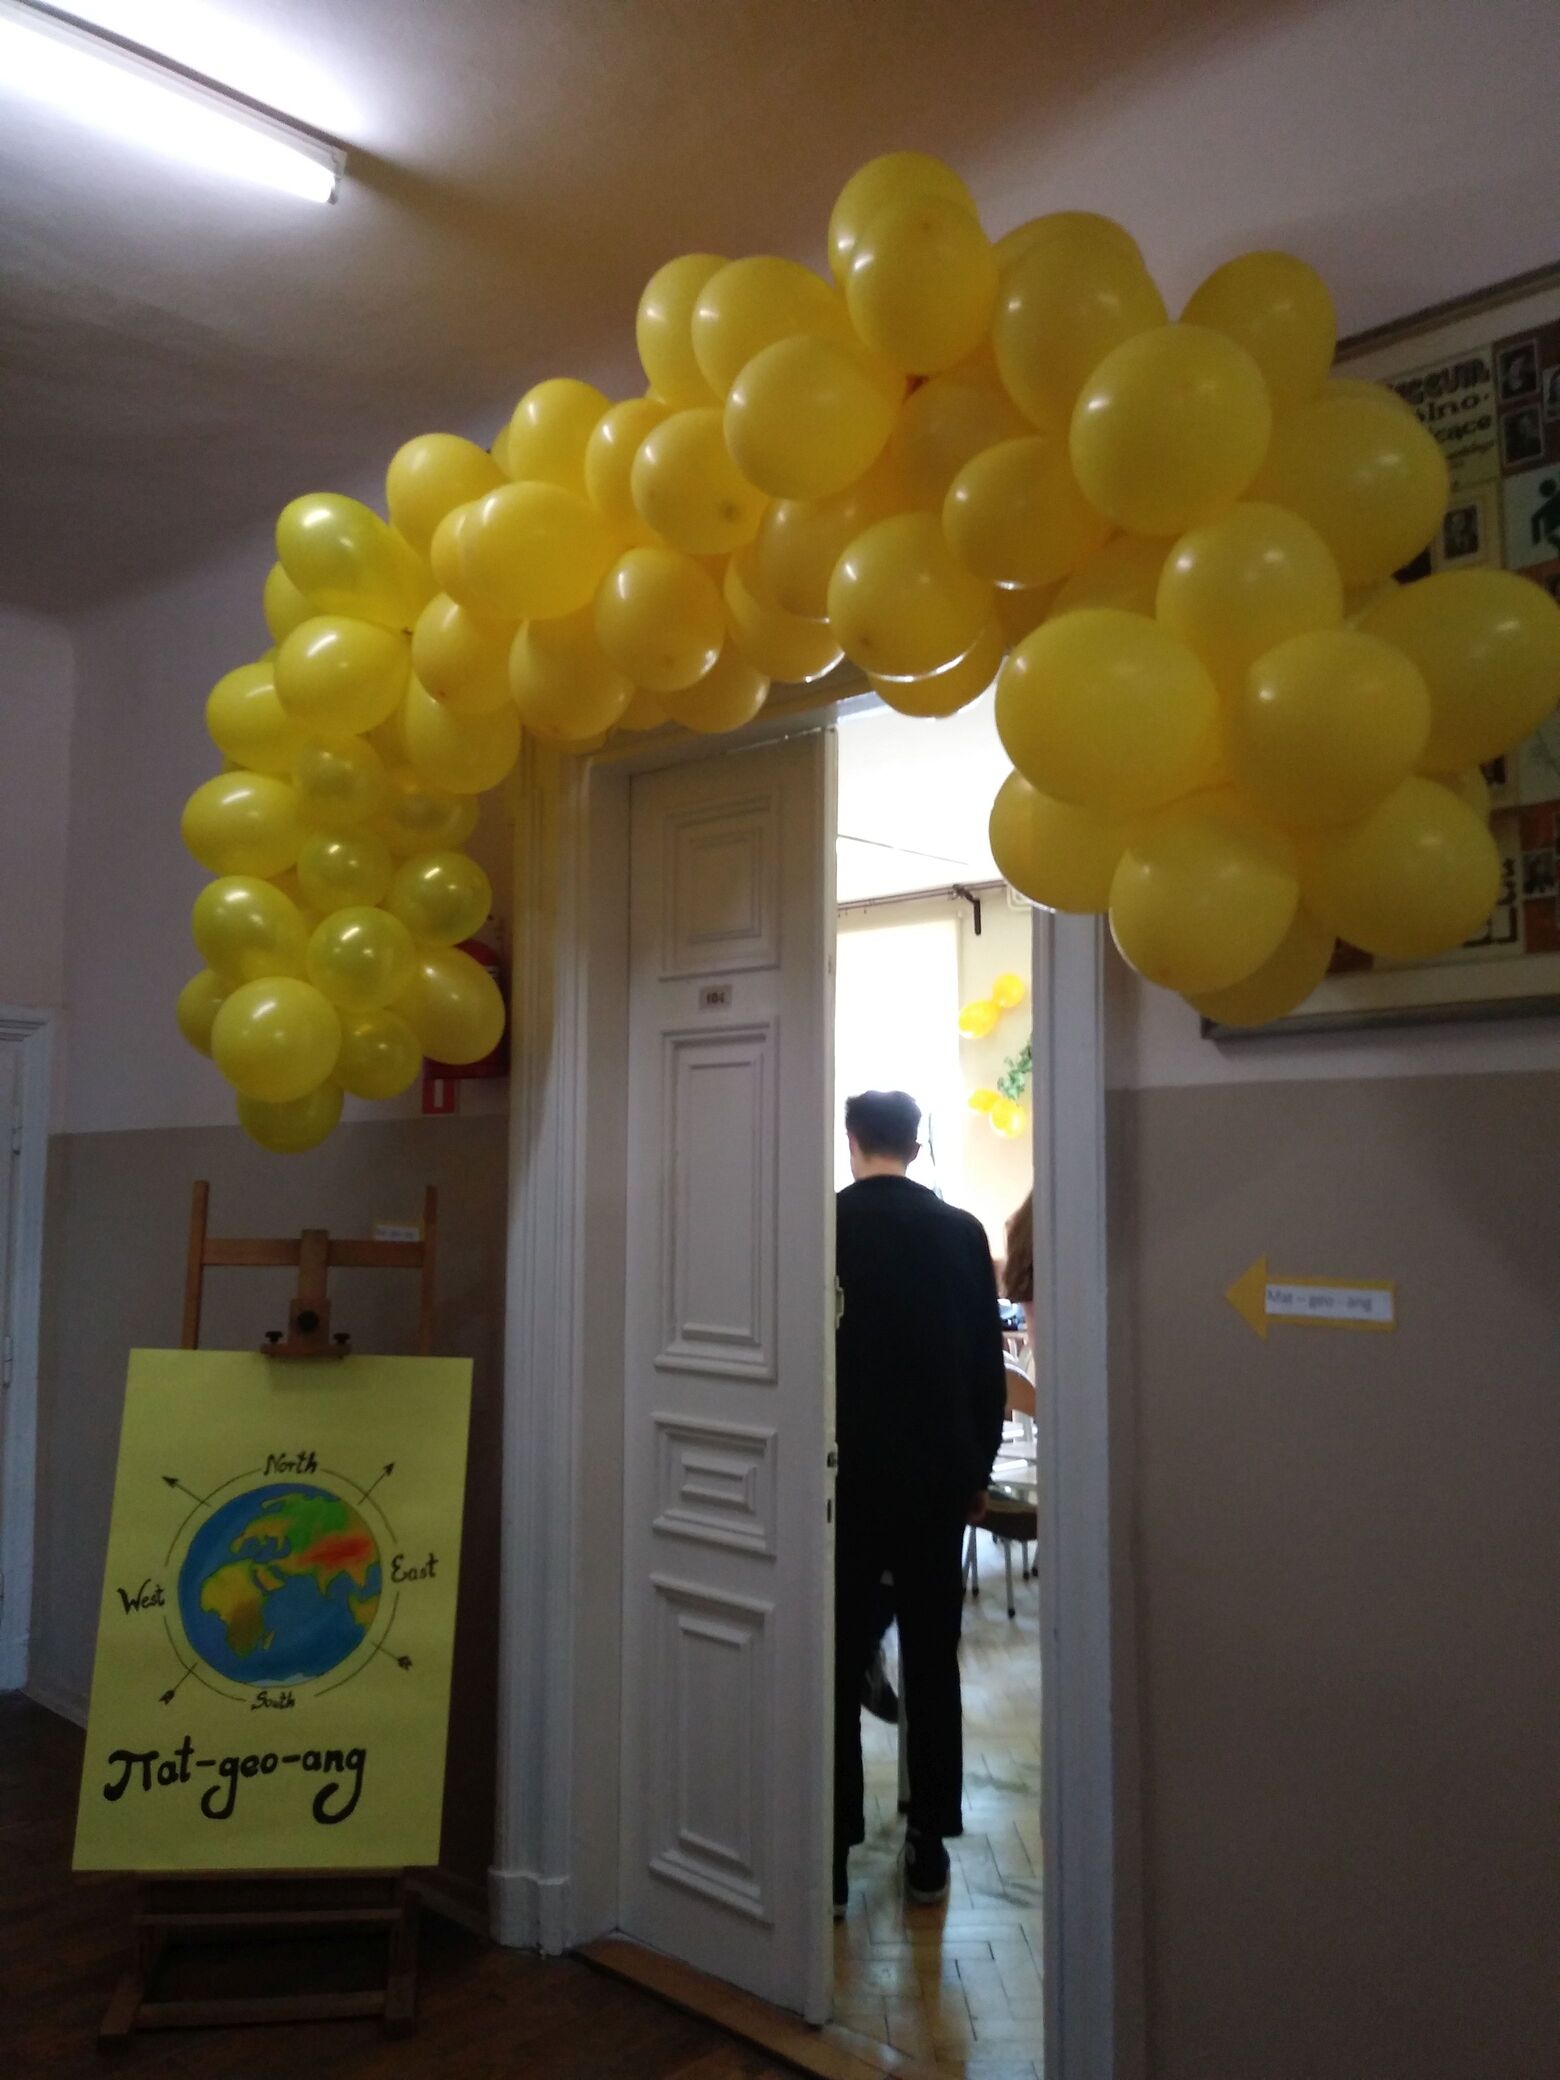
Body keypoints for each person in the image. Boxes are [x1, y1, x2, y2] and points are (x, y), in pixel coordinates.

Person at [833, 1089, 1007, 1916]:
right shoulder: (962, 1232)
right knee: (934, 1659)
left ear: (853, 1139)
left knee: (835, 1660)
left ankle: (832, 1845)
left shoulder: (824, 1226)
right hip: (938, 1479)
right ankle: (929, 1843)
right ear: (915, 1143)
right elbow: (984, 1366)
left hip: (845, 1479)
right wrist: (978, 1470)